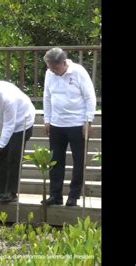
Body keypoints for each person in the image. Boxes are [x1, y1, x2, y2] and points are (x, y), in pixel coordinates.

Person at [42, 47, 97, 207]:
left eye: (56, 68)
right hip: (57, 124)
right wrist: (47, 119)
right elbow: (47, 96)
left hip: (77, 123)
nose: (53, 71)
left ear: (64, 63)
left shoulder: (78, 72)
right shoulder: (49, 74)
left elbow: (89, 96)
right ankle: (55, 195)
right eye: (50, 68)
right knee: (55, 160)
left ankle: (73, 196)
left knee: (78, 161)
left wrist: (88, 120)